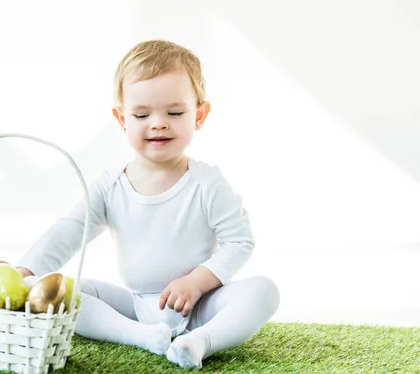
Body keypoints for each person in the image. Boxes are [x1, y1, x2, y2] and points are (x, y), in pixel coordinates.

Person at [15, 39, 280, 369]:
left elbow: (239, 241)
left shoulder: (207, 182)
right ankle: (141, 337)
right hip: (135, 306)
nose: (158, 123)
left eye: (175, 112)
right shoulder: (110, 185)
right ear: (121, 117)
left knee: (264, 291)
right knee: (62, 292)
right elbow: (70, 230)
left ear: (199, 115)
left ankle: (200, 341)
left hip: (199, 305)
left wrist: (197, 281)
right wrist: (26, 270)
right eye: (142, 114)